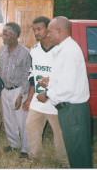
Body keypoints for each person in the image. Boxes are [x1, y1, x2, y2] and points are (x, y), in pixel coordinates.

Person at [37, 16, 92, 168]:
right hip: (70, 110)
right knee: (75, 151)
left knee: (78, 154)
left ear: (59, 31)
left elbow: (67, 87)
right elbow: (65, 79)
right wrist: (51, 82)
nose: (48, 35)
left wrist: (47, 94)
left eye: (50, 32)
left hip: (73, 111)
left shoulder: (68, 51)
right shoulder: (66, 49)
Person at [22, 16, 69, 168]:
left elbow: (64, 77)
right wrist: (30, 99)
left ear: (48, 29)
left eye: (39, 29)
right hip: (38, 100)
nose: (36, 32)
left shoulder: (60, 50)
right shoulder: (34, 51)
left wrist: (49, 93)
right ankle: (36, 158)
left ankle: (65, 162)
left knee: (60, 135)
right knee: (31, 126)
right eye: (34, 29)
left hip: (56, 100)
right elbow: (32, 77)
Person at [0, 22, 31, 158]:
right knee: (8, 119)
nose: (3, 37)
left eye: (6, 34)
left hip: (19, 90)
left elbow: (28, 76)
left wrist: (21, 95)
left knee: (22, 121)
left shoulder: (25, 53)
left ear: (15, 36)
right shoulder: (2, 50)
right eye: (3, 34)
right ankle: (14, 144)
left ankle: (26, 149)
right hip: (6, 89)